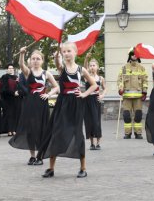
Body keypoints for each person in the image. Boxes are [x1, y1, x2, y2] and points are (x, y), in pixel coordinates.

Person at [39, 42, 97, 179]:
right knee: (56, 133)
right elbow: (58, 64)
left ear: (75, 52)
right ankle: (51, 168)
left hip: (76, 105)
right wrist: (55, 57)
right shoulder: (62, 68)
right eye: (64, 52)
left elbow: (94, 85)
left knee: (78, 134)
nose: (66, 53)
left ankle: (83, 168)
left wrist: (84, 94)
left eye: (69, 51)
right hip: (62, 104)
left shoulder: (81, 70)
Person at [10, 48, 58, 164]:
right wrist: (21, 54)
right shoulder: (28, 72)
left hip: (41, 104)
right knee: (30, 130)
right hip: (29, 104)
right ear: (30, 61)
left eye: (38, 59)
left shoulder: (46, 73)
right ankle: (32, 156)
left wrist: (48, 94)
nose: (35, 61)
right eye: (33, 59)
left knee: (42, 129)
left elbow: (57, 87)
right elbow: (21, 65)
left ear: (42, 60)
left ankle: (40, 156)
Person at [118, 48, 148, 139]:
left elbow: (145, 80)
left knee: (138, 115)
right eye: (132, 54)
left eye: (136, 54)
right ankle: (127, 133)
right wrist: (120, 88)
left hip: (138, 96)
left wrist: (144, 92)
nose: (134, 55)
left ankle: (138, 133)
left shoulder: (142, 68)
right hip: (127, 96)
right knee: (126, 115)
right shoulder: (124, 68)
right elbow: (120, 80)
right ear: (129, 55)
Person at [0, 65, 22, 136]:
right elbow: (3, 89)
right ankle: (9, 130)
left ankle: (14, 129)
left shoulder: (16, 77)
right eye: (9, 68)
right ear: (7, 70)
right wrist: (13, 93)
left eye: (12, 68)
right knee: (8, 114)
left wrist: (18, 92)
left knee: (15, 113)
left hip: (16, 98)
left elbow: (20, 86)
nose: (11, 69)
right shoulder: (4, 77)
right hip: (7, 98)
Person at [83, 58, 105, 150]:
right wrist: (86, 59)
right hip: (87, 100)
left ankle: (98, 143)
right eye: (90, 65)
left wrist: (102, 96)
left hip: (96, 100)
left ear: (97, 67)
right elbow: (84, 68)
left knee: (96, 121)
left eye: (94, 65)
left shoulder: (100, 78)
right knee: (89, 121)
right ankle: (92, 143)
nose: (92, 67)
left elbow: (105, 88)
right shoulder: (87, 77)